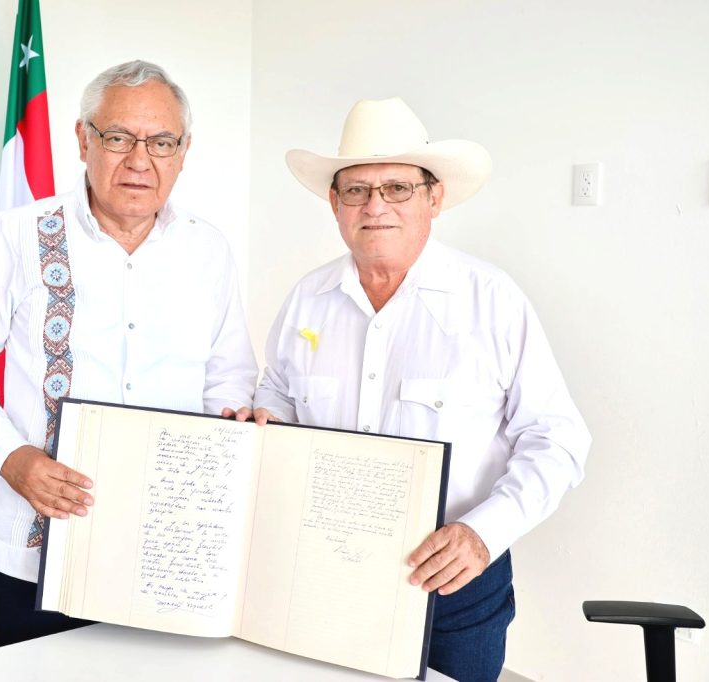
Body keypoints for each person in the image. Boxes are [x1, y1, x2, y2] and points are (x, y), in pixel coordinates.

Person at [252, 98, 590, 682]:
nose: (375, 205)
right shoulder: (307, 300)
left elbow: (557, 439)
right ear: (334, 203)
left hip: (453, 585)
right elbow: (278, 396)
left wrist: (483, 534)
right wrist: (266, 423)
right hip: (322, 575)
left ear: (434, 198)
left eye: (398, 188)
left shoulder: (492, 300)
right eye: (356, 190)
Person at [0, 60, 257, 644]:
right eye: (118, 137)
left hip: (169, 551)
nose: (140, 160)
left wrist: (226, 447)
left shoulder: (208, 250)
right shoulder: (18, 236)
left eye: (161, 142)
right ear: (83, 139)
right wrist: (11, 456)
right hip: (37, 545)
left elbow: (228, 377)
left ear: (183, 152)